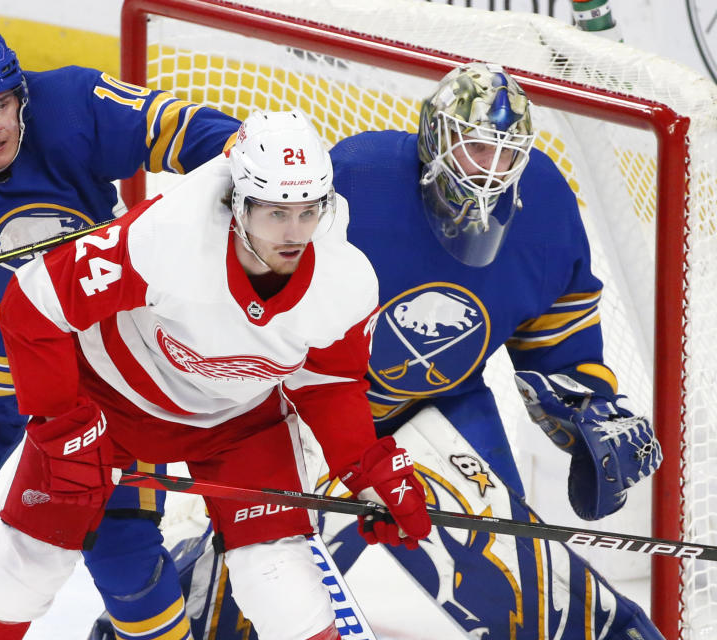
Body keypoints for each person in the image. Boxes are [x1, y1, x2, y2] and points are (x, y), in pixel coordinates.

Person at [119, 63, 664, 640]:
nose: (491, 171)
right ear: (435, 138)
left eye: (507, 155)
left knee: (523, 587)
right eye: (477, 147)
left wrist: (589, 410)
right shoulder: (359, 178)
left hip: (447, 402)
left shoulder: (546, 209)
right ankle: (167, 610)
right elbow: (260, 284)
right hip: (318, 412)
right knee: (246, 605)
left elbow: (557, 332)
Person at [0, 109, 432, 640]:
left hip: (240, 421)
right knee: (25, 568)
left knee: (281, 583)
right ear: (238, 204)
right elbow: (33, 303)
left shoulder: (346, 278)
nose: (295, 234)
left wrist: (365, 470)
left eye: (308, 210)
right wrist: (62, 427)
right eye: (274, 213)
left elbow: (328, 382)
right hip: (110, 401)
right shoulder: (167, 235)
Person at [0, 20, 242, 640]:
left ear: (21, 92)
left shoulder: (70, 104)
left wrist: (246, 158)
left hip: (101, 382)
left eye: (2, 103)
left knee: (127, 555)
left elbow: (175, 125)